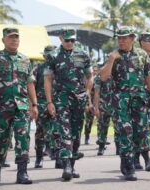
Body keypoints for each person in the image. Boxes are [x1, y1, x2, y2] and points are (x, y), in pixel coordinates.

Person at [100, 26, 150, 181]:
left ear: (133, 38)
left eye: (124, 38)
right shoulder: (113, 55)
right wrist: (112, 59)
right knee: (125, 132)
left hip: (139, 100)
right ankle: (129, 166)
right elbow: (103, 77)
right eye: (119, 38)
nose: (121, 41)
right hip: (120, 101)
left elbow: (149, 77)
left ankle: (141, 158)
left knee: (141, 131)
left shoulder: (142, 55)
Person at [0, 27, 38, 184]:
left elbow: (30, 83)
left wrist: (34, 104)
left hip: (21, 107)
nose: (14, 40)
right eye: (10, 37)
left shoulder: (25, 59)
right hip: (0, 107)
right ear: (3, 40)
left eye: (16, 37)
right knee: (0, 139)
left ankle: (22, 173)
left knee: (23, 138)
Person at [44, 27, 93, 181]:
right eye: (67, 40)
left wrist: (87, 93)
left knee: (76, 134)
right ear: (60, 38)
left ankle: (71, 165)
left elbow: (90, 76)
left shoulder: (83, 55)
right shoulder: (53, 56)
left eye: (73, 40)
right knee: (65, 131)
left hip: (79, 100)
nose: (70, 42)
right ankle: (66, 166)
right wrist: (50, 101)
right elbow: (48, 79)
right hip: (61, 100)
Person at [33, 45, 56, 168]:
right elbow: (31, 87)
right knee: (40, 131)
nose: (51, 56)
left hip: (57, 103)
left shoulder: (59, 67)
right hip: (41, 104)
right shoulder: (38, 69)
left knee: (57, 130)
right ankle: (39, 157)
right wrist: (33, 105)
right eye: (49, 54)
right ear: (44, 56)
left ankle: (56, 155)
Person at [94, 63, 114, 156]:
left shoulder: (116, 76)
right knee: (102, 127)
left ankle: (119, 147)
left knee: (119, 127)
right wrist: (96, 108)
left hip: (116, 104)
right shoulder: (99, 78)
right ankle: (101, 147)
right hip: (103, 105)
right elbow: (96, 93)